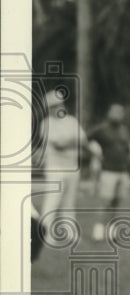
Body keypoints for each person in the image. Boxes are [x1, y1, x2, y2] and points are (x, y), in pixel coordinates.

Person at [36, 88, 88, 242]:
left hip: (72, 167)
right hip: (55, 168)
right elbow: (59, 144)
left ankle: (70, 232)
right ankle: (45, 234)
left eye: (60, 104)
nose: (59, 108)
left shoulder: (71, 121)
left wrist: (72, 141)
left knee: (69, 202)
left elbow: (83, 140)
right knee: (52, 201)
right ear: (49, 108)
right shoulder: (46, 124)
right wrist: (73, 140)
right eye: (54, 106)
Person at [88, 104, 130, 241]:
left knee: (116, 202)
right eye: (114, 112)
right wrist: (95, 153)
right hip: (108, 170)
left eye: (120, 113)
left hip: (123, 171)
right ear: (109, 113)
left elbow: (128, 151)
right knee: (105, 201)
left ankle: (111, 230)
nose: (117, 115)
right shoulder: (102, 129)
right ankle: (98, 230)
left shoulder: (124, 130)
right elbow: (85, 140)